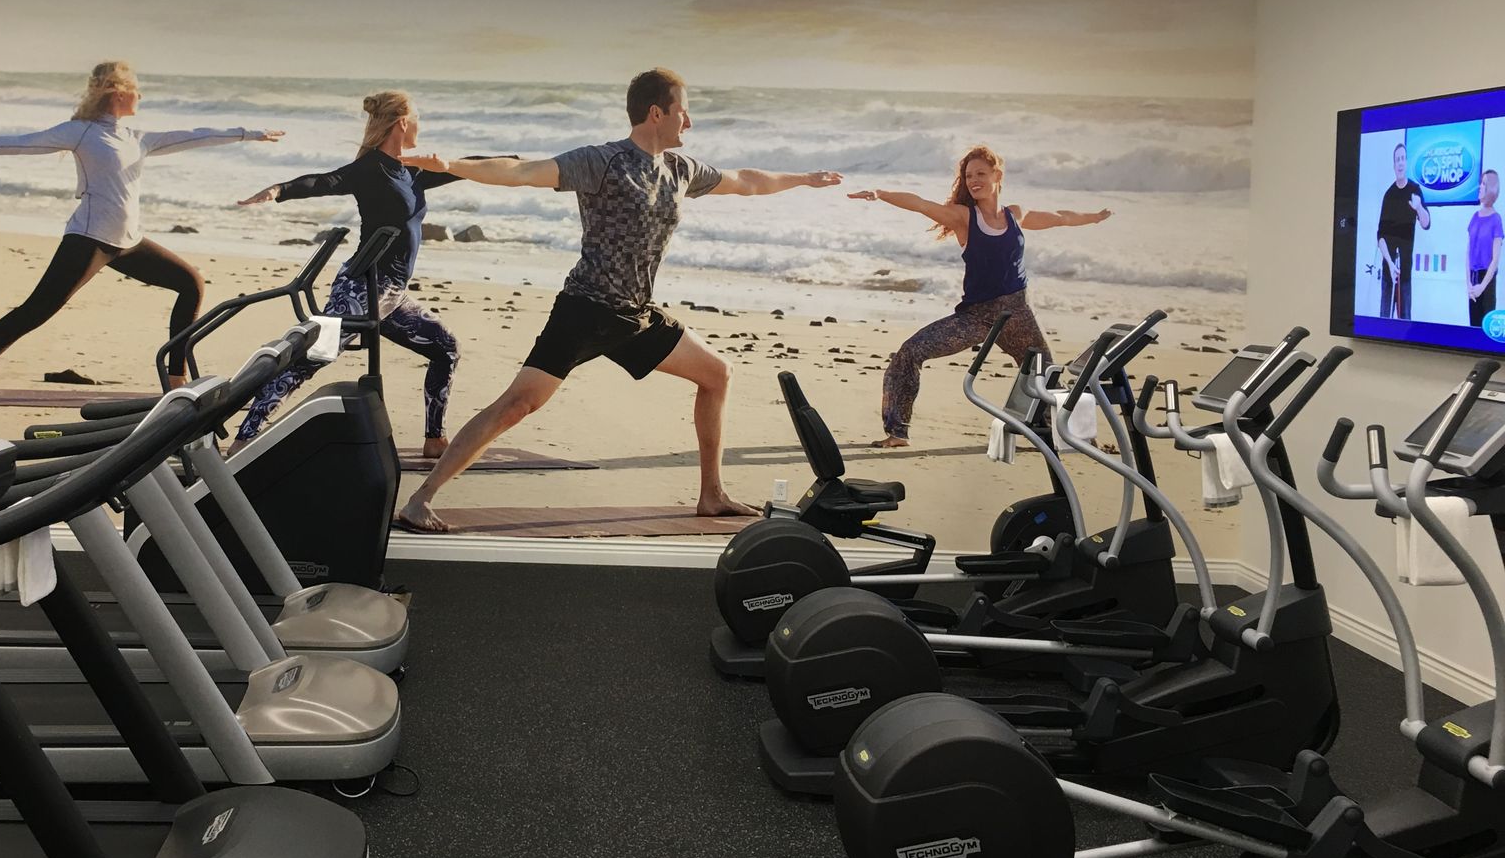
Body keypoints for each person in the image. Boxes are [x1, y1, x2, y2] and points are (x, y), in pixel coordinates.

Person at [390, 67, 842, 533]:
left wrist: (805, 179)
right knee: (517, 405)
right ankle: (421, 499)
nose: (689, 123)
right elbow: (523, 171)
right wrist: (451, 166)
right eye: (683, 112)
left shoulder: (681, 169)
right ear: (656, 113)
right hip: (586, 310)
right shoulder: (602, 161)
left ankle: (712, 494)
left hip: (635, 314)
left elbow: (746, 180)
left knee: (716, 374)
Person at [0, 60, 282, 403]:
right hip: (89, 240)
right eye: (136, 89)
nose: (141, 95)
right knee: (37, 310)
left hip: (129, 242)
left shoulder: (137, 137)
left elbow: (195, 136)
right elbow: (22, 142)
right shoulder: (82, 132)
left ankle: (175, 382)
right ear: (118, 92)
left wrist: (248, 134)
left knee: (191, 284)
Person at [235, 90, 462, 459]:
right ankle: (244, 438)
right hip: (363, 287)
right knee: (313, 358)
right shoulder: (370, 169)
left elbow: (464, 168)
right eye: (417, 119)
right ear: (402, 123)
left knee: (445, 348)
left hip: (392, 294)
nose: (421, 126)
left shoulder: (412, 171)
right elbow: (324, 181)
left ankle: (434, 439)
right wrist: (279, 190)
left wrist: (517, 166)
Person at [851, 144, 1111, 449]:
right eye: (968, 176)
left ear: (997, 175)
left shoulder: (1015, 214)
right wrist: (880, 193)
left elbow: (1060, 218)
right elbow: (920, 204)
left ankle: (1078, 438)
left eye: (980, 174)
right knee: (910, 352)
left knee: (1046, 374)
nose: (973, 180)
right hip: (976, 316)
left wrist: (1094, 217)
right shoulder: (964, 217)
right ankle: (897, 432)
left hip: (1018, 313)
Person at [1377, 140, 1431, 321]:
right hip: (1389, 273)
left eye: (1402, 159)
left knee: (1405, 322)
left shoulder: (1415, 190)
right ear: (1394, 165)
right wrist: (1390, 263)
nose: (1400, 163)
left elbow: (1426, 223)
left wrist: (1418, 207)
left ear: (1406, 162)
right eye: (1397, 160)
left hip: (1405, 274)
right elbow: (1380, 236)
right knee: (1383, 323)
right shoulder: (1389, 195)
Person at [1470, 168, 1502, 328]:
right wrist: (1469, 285)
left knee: (1485, 329)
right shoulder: (1474, 217)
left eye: (1483, 184)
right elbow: (1468, 252)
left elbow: (1495, 260)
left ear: (1491, 189)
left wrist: (1481, 287)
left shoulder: (1496, 220)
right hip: (1473, 279)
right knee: (1473, 328)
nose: (1480, 187)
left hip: (1487, 281)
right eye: (1480, 183)